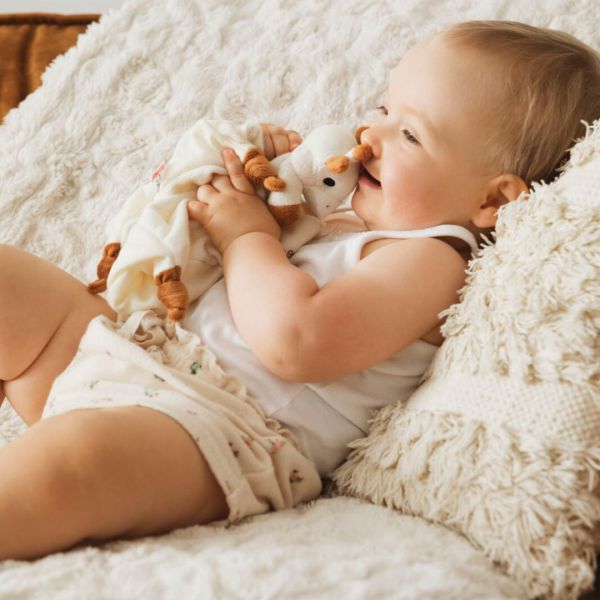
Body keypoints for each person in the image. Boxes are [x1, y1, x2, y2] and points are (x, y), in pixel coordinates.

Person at [0, 20, 598, 562]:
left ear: (493, 199)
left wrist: (245, 235)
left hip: (216, 433)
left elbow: (296, 342)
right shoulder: (344, 219)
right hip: (137, 356)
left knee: (71, 465)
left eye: (411, 134)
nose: (369, 134)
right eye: (383, 109)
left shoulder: (433, 257)